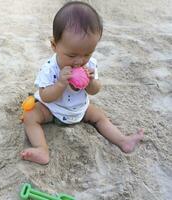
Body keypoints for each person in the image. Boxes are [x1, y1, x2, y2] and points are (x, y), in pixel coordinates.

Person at [21, 1, 144, 165]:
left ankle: (123, 141)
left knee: (99, 116)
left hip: (79, 111)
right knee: (30, 116)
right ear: (54, 45)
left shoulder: (90, 64)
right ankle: (42, 149)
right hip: (52, 110)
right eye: (72, 56)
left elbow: (95, 90)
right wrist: (60, 84)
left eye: (87, 54)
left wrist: (91, 81)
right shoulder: (50, 68)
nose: (79, 61)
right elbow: (45, 96)